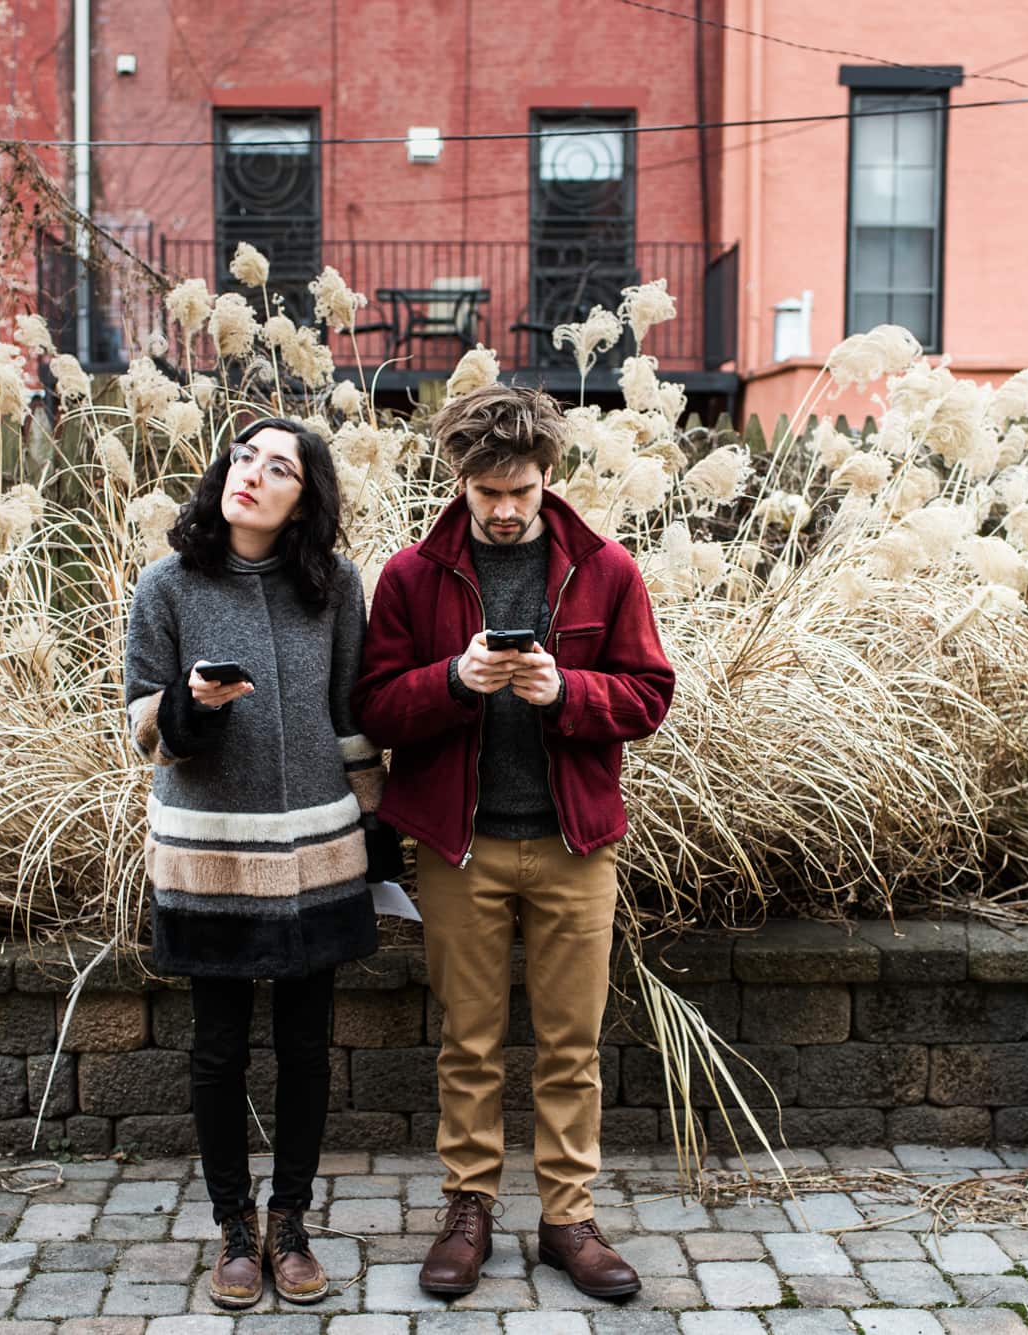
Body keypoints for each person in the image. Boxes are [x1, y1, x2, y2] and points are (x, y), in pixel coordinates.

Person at [354, 383, 675, 1299]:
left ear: (548, 478)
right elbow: (374, 706)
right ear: (460, 480)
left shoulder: (605, 568)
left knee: (573, 1043)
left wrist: (567, 692)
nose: (500, 510)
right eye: (484, 491)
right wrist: (453, 680)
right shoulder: (414, 575)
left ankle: (567, 1218)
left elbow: (649, 695)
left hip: (576, 844)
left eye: (519, 491)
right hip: (460, 846)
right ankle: (470, 1210)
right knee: (470, 1040)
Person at [124, 416, 384, 1309]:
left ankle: (291, 1221)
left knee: (307, 1045)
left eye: (280, 468)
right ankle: (235, 1228)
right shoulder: (166, 584)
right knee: (218, 1049)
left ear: (304, 496)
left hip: (317, 848)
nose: (254, 476)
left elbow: (353, 714)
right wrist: (191, 705)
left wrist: (375, 831)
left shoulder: (334, 586)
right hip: (212, 854)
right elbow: (143, 730)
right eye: (245, 458)